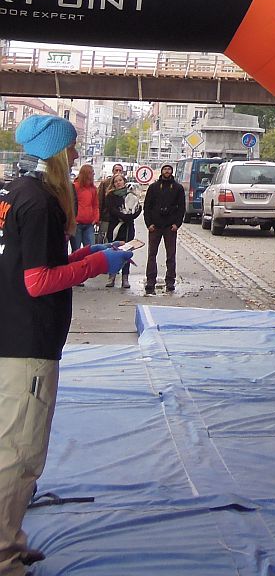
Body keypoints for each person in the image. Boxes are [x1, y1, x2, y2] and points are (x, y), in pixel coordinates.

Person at [0, 114, 133, 576]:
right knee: (20, 454)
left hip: (13, 332)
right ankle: (4, 557)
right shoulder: (41, 202)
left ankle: (10, 541)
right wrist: (97, 266)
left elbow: (30, 260)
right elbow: (38, 281)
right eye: (72, 147)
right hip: (28, 341)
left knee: (10, 446)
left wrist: (86, 254)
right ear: (57, 152)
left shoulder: (17, 193)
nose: (77, 154)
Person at [142, 164, 185, 295]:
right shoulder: (154, 187)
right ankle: (150, 280)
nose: (167, 171)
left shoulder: (177, 188)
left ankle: (170, 280)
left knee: (171, 255)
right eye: (165, 169)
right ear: (161, 172)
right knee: (152, 254)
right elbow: (147, 206)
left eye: (169, 169)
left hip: (170, 226)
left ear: (172, 172)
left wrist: (177, 224)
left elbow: (181, 208)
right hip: (155, 226)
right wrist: (148, 223)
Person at [103, 171, 141, 290]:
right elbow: (112, 209)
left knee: (126, 252)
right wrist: (123, 216)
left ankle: (125, 277)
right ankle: (112, 276)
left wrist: (131, 216)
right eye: (116, 181)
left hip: (128, 227)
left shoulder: (131, 194)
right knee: (114, 251)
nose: (118, 183)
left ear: (124, 181)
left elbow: (137, 208)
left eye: (120, 180)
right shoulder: (110, 196)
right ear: (113, 184)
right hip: (115, 227)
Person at [71, 165, 99, 251]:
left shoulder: (93, 189)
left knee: (91, 249)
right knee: (76, 250)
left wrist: (96, 218)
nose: (93, 174)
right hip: (76, 224)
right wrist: (72, 219)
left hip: (89, 224)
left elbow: (95, 205)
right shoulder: (75, 187)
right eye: (91, 172)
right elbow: (70, 204)